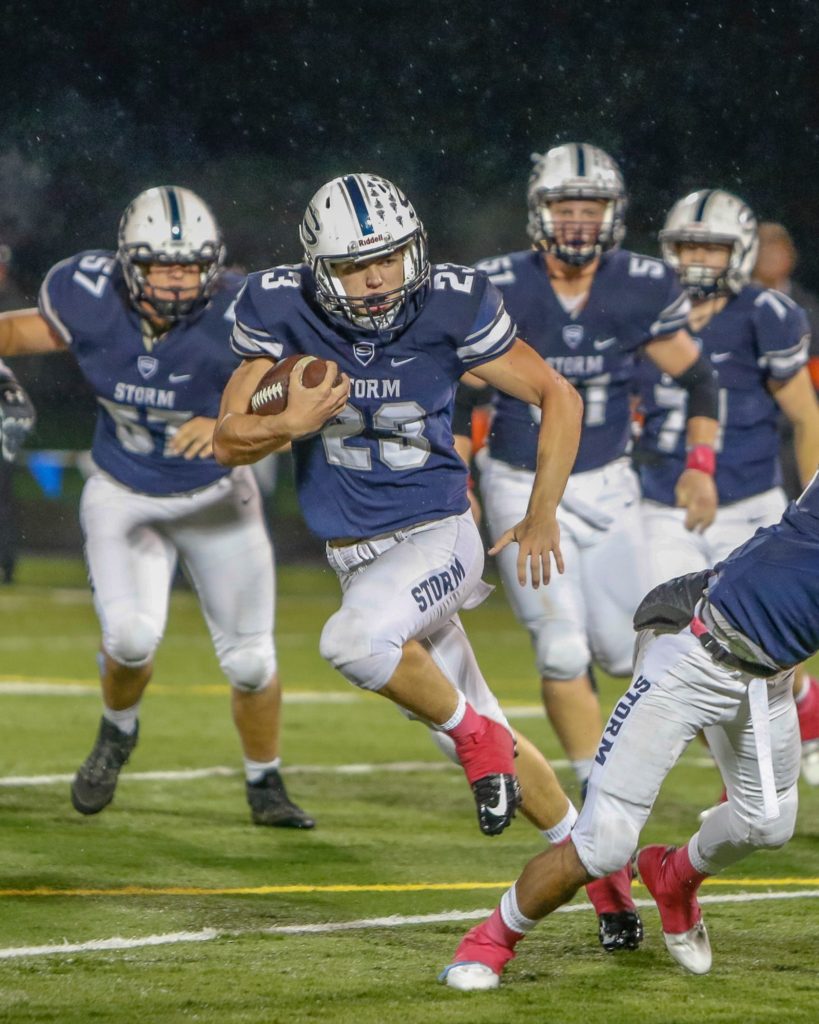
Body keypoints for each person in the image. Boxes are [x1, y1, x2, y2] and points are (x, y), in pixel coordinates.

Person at [214, 172, 641, 952]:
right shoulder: (278, 305)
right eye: (353, 266)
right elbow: (226, 437)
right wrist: (290, 424)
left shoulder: (452, 301)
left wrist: (540, 510)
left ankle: (477, 743)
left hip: (436, 535)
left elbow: (559, 395)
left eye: (389, 258)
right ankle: (607, 875)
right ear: (317, 269)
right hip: (357, 556)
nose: (376, 278)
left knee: (352, 644)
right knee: (488, 732)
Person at [0, 185, 313, 828]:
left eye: (190, 266)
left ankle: (265, 782)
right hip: (123, 490)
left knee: (253, 661)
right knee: (131, 638)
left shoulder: (243, 310)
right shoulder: (86, 296)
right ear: (126, 265)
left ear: (213, 264)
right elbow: (17, 332)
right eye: (160, 266)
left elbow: (302, 398)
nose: (175, 281)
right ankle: (118, 731)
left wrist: (229, 422)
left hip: (217, 495)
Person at [440, 471, 819, 989]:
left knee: (767, 825)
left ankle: (672, 877)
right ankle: (487, 943)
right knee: (603, 845)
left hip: (768, 678)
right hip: (694, 651)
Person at [460, 143, 719, 800]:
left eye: (590, 208)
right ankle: (595, 795)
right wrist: (458, 481)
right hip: (519, 482)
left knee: (622, 648)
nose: (576, 221)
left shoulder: (640, 285)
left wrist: (699, 466)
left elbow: (699, 379)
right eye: (564, 207)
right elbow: (461, 393)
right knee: (560, 649)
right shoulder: (498, 286)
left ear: (613, 215)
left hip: (608, 483)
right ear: (539, 213)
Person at [637, 189, 819, 787]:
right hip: (666, 499)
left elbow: (806, 416)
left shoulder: (766, 314)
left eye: (710, 247)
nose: (696, 258)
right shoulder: (643, 308)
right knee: (667, 635)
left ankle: (784, 728)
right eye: (687, 244)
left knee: (758, 649)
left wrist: (808, 508)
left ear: (737, 253)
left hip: (753, 509)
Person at [752, 221, 819, 500]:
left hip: (798, 423)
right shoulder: (731, 307)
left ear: (791, 256)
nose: (770, 257)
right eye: (763, 250)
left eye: (777, 249)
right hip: (750, 422)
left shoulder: (810, 308)